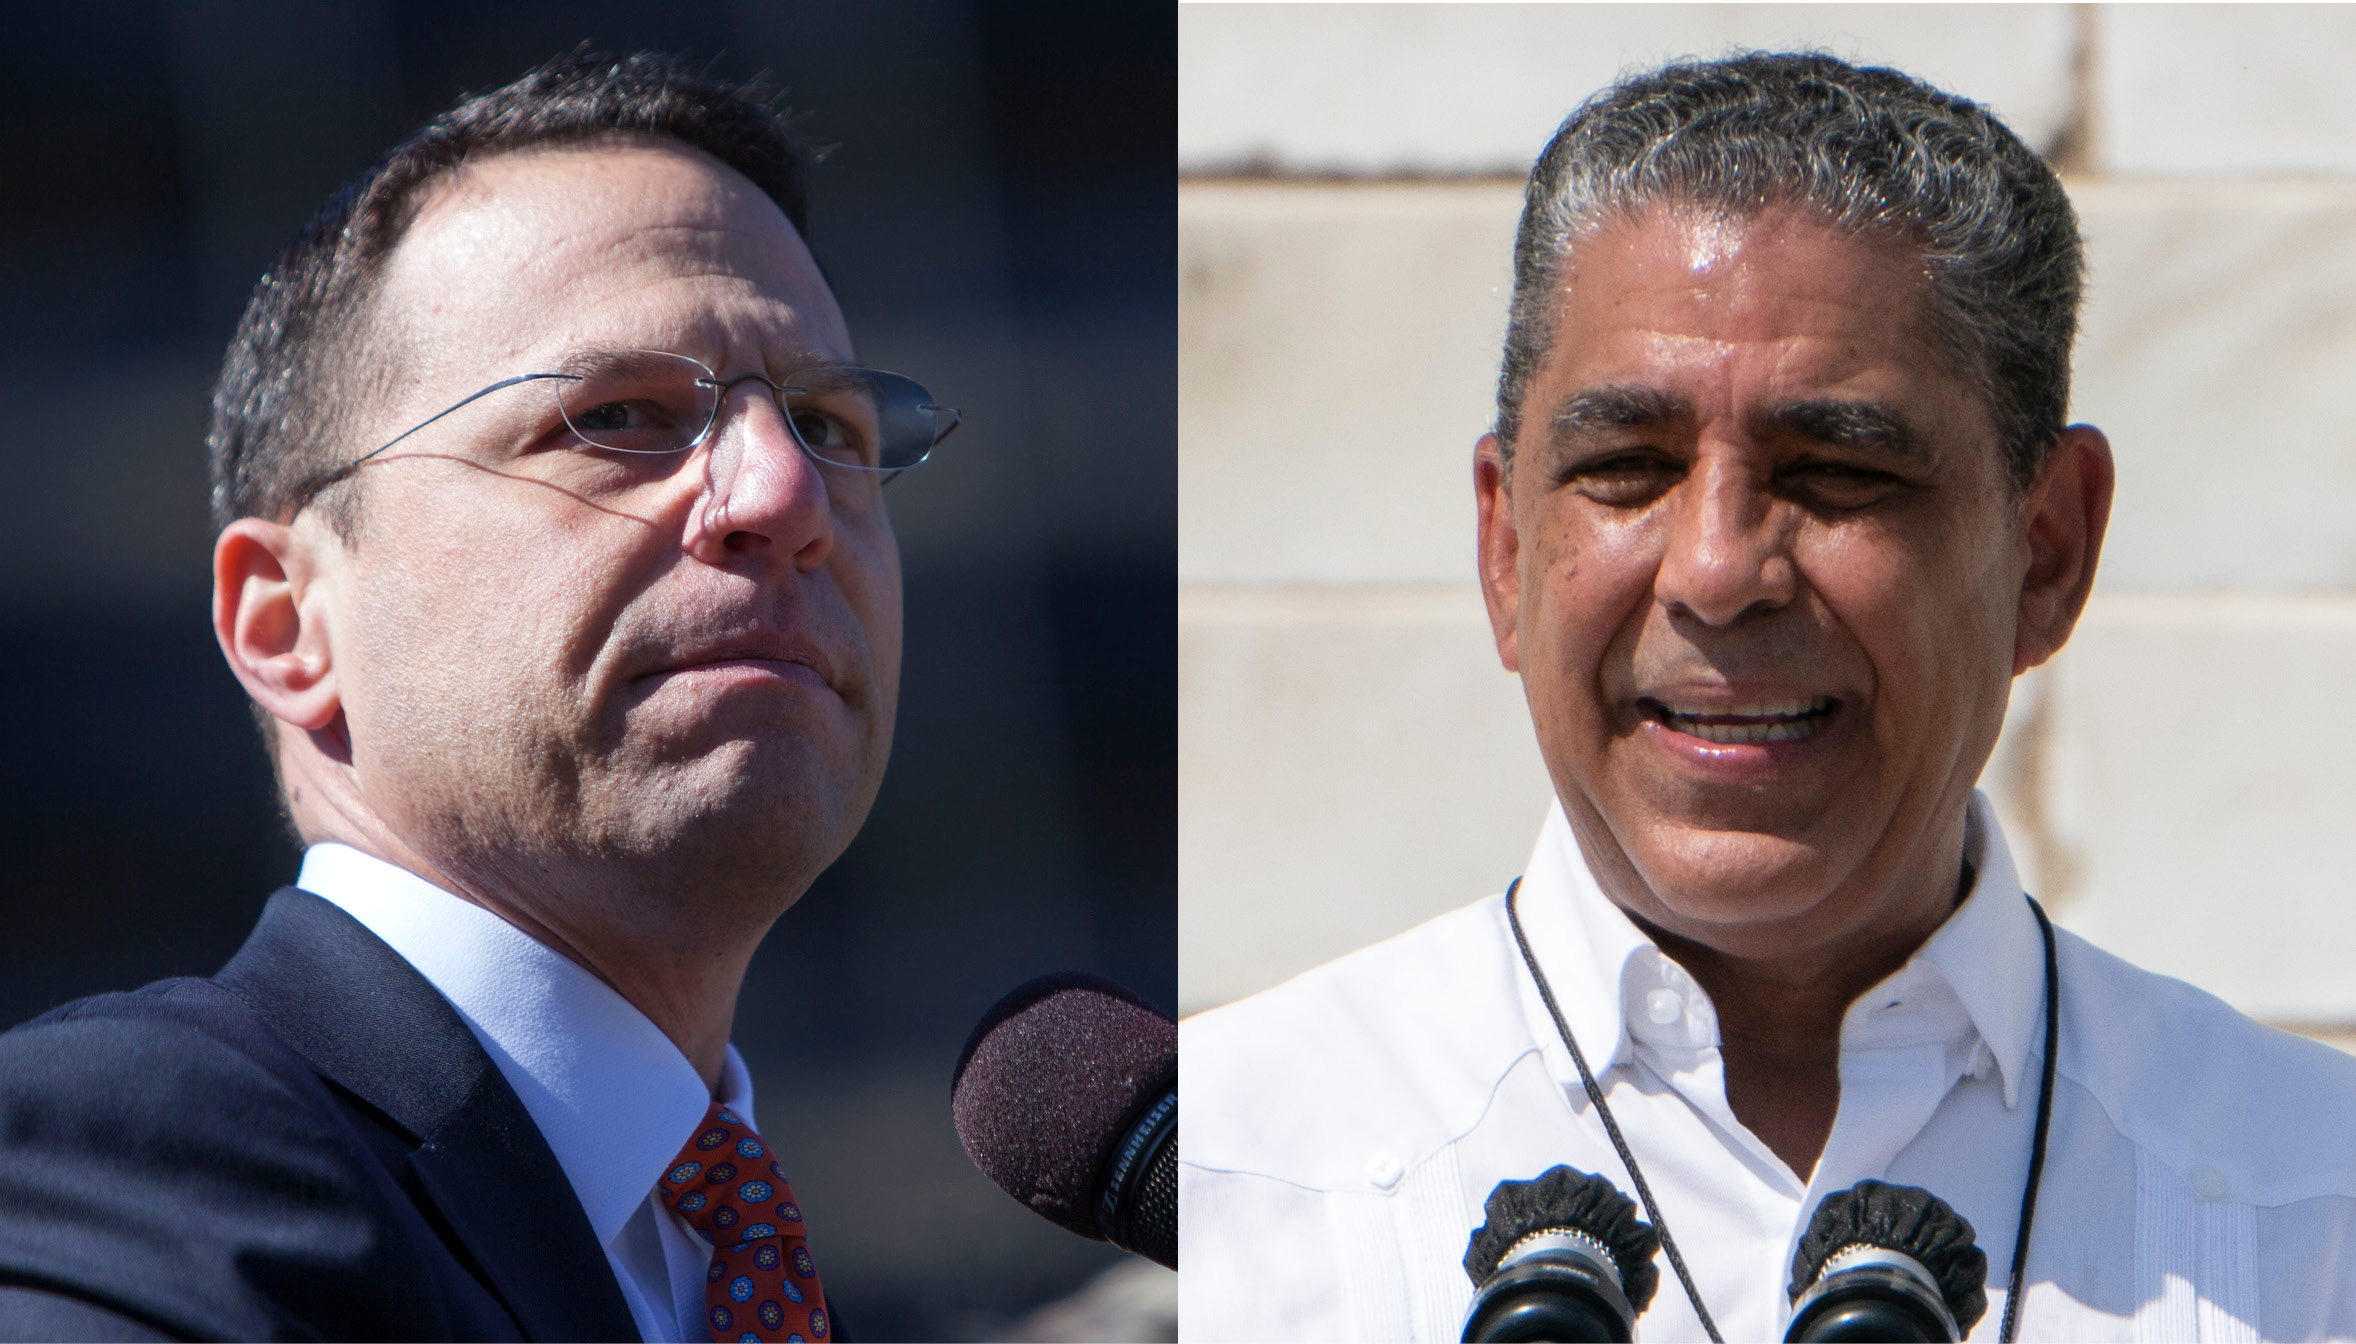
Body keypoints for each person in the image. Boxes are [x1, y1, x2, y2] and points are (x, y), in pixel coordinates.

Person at [1180, 52, 2356, 1341]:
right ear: (1506, 549)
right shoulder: (1230, 1192)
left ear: (2049, 550)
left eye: (1840, 472)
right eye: (1627, 467)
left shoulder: (2314, 1214)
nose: (1718, 571)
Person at [0, 51, 959, 1342]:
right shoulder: (139, 1157)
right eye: (619, 413)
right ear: (289, 625)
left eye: (830, 429)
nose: (781, 499)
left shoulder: (739, 1271)